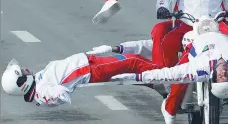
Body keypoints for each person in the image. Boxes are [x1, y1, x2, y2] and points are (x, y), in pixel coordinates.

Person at [1, 50, 159, 107]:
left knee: (131, 72)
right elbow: (59, 96)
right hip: (90, 70)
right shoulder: (41, 92)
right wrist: (57, 94)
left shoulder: (37, 82)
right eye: (22, 72)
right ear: (22, 83)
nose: (25, 70)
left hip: (89, 64)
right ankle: (171, 74)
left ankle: (159, 85)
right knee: (133, 61)